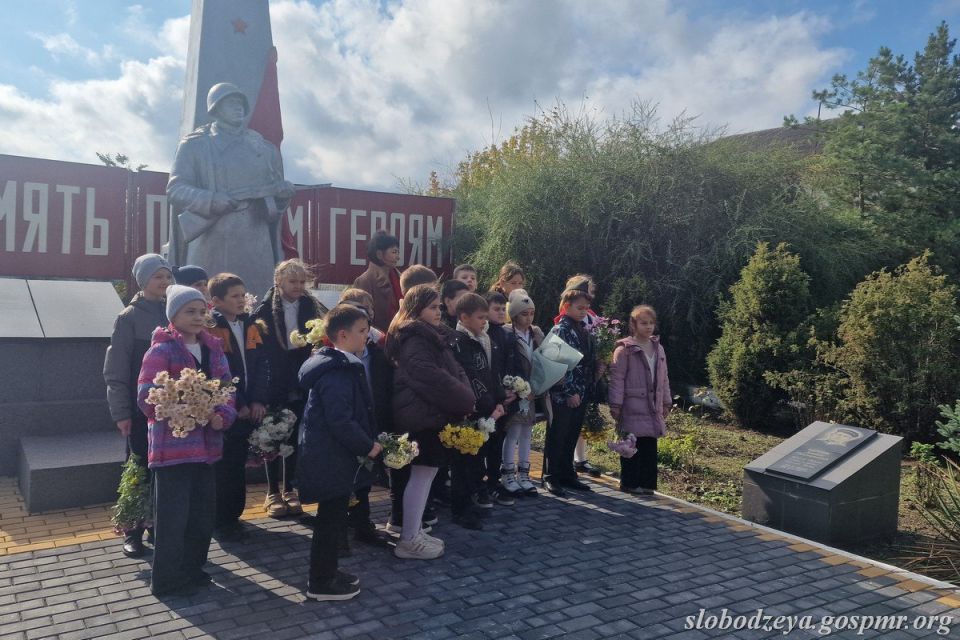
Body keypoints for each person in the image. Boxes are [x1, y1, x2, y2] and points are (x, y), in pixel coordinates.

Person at [137, 285, 236, 596]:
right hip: (172, 450)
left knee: (202, 514)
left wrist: (222, 415)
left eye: (201, 311)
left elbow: (227, 391)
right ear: (173, 315)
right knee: (172, 517)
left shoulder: (214, 349)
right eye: (189, 311)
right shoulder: (160, 351)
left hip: (207, 449)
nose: (197, 317)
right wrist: (187, 405)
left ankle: (193, 568)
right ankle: (166, 579)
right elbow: (146, 396)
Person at [167, 83, 296, 300]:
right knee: (206, 304)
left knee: (258, 304)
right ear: (216, 108)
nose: (238, 107)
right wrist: (212, 200)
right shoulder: (195, 145)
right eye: (230, 103)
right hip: (212, 238)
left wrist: (281, 197)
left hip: (255, 240)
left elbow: (273, 202)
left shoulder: (263, 148)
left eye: (241, 103)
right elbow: (176, 189)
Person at [297, 304, 382, 601]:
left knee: (333, 518)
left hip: (333, 455)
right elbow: (340, 420)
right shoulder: (336, 372)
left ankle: (329, 572)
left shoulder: (338, 365)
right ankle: (321, 582)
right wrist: (367, 446)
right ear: (343, 335)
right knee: (329, 521)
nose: (367, 336)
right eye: (362, 331)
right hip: (330, 456)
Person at [387, 285, 474, 559]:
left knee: (426, 476)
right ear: (416, 309)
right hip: (421, 416)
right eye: (432, 307)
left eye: (439, 307)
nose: (439, 312)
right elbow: (432, 378)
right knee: (421, 476)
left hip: (429, 415)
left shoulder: (429, 335)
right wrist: (464, 398)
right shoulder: (416, 339)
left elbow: (453, 370)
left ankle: (414, 531)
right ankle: (409, 539)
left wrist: (465, 394)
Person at [103, 253, 173, 558]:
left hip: (170, 411)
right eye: (158, 276)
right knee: (138, 468)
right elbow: (116, 370)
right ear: (143, 280)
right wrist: (121, 413)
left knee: (164, 469)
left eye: (167, 276)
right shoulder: (129, 317)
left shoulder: (174, 312)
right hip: (138, 410)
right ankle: (132, 531)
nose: (164, 282)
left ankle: (157, 525)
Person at [254, 259, 326, 518]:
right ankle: (272, 491)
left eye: (301, 281)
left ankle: (289, 489)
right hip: (274, 377)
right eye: (292, 281)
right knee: (272, 432)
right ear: (279, 281)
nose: (298, 286)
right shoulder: (264, 308)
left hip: (300, 374)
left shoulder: (310, 305)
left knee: (294, 433)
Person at [207, 273, 270, 540]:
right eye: (235, 296)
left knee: (237, 464)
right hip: (228, 409)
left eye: (243, 295)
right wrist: (239, 403)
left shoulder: (250, 325)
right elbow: (220, 373)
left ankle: (234, 516)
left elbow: (261, 365)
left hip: (248, 406)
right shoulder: (212, 329)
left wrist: (257, 400)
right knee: (224, 466)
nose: (241, 300)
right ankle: (221, 520)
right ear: (216, 301)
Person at [336, 290, 394, 550]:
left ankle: (362, 523)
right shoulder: (328, 354)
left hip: (369, 420)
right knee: (342, 477)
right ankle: (340, 528)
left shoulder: (376, 352)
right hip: (343, 423)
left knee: (364, 476)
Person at [451, 293, 507, 529]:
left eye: (486, 317)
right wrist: (485, 403)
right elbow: (470, 377)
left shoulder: (482, 338)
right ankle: (461, 507)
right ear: (464, 318)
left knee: (477, 459)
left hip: (487, 407)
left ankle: (472, 498)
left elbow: (491, 373)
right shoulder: (458, 342)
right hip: (470, 409)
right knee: (463, 462)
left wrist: (499, 399)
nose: (485, 322)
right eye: (480, 317)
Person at [608, 305, 672, 494]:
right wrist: (616, 404)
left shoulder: (658, 348)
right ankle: (629, 483)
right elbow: (617, 379)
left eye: (651, 323)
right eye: (644, 323)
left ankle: (647, 484)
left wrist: (666, 402)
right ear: (634, 324)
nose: (649, 326)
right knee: (631, 444)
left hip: (652, 406)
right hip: (632, 405)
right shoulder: (624, 350)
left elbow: (664, 377)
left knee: (649, 446)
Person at [542, 288, 597, 497]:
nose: (584, 311)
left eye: (586, 308)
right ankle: (551, 476)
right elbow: (556, 366)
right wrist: (569, 392)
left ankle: (567, 473)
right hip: (563, 394)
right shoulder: (560, 330)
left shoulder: (583, 329)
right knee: (558, 435)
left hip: (582, 390)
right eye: (579, 307)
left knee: (571, 434)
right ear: (566, 306)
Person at [502, 289, 546, 496]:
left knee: (527, 433)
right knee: (513, 433)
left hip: (533, 392)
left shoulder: (536, 333)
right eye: (524, 314)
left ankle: (524, 474)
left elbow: (544, 360)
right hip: (516, 391)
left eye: (531, 313)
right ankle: (507, 473)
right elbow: (507, 364)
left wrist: (538, 386)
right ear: (513, 315)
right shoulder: (507, 333)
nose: (528, 318)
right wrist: (516, 388)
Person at [564, 274, 603, 478]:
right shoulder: (565, 322)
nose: (585, 308)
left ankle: (578, 461)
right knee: (566, 428)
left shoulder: (590, 318)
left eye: (590, 293)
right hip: (571, 383)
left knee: (580, 422)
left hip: (586, 379)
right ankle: (563, 466)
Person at [482, 291, 516, 505]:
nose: (501, 312)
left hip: (505, 398)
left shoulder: (507, 334)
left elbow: (513, 363)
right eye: (496, 309)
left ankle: (494, 481)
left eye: (504, 309)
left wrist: (514, 388)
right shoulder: (483, 333)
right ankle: (480, 484)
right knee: (483, 442)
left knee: (497, 442)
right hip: (488, 397)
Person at [351, 231, 402, 333]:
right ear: (379, 254)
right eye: (394, 252)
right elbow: (361, 319)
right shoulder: (364, 281)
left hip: (400, 335)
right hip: (377, 338)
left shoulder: (400, 278)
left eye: (398, 252)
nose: (398, 257)